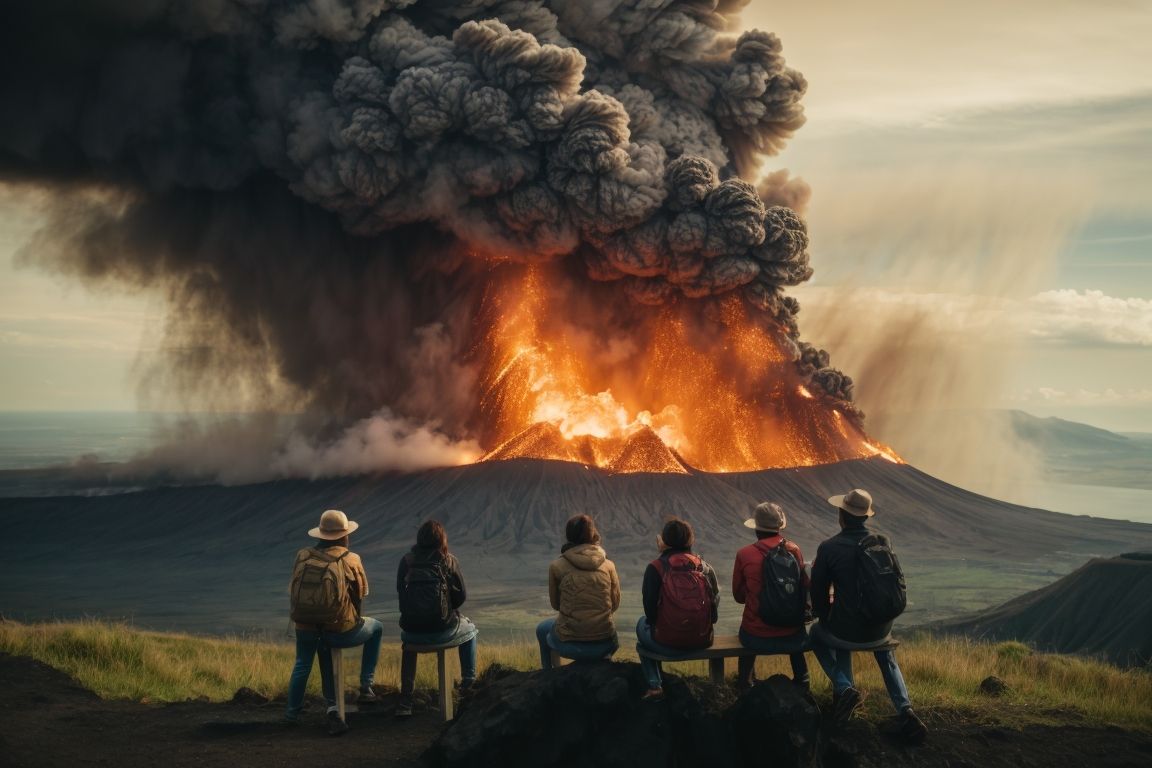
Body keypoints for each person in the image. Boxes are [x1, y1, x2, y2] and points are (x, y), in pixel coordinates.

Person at [809, 488, 928, 743]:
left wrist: (824, 616)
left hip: (846, 630)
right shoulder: (882, 542)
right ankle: (906, 710)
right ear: (865, 517)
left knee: (818, 634)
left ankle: (844, 687)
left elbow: (817, 592)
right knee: (886, 653)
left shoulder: (829, 548)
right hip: (880, 626)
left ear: (841, 515)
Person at [285, 509, 384, 736]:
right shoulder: (351, 558)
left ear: (320, 534)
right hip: (339, 629)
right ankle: (366, 686)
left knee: (302, 663)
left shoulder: (302, 555)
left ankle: (291, 713)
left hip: (305, 626)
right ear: (344, 535)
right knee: (377, 627)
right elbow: (361, 595)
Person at [395, 520, 478, 717]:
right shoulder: (448, 560)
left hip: (412, 632)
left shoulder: (406, 561)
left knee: (408, 638)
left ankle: (405, 702)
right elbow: (461, 597)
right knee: (471, 630)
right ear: (441, 539)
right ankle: (468, 686)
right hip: (442, 630)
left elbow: (401, 595)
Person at [635, 518, 720, 700]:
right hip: (704, 640)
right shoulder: (704, 566)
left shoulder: (655, 568)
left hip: (667, 643)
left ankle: (655, 684)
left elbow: (650, 612)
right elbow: (715, 607)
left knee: (641, 625)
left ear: (664, 541)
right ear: (690, 540)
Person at [731, 501, 810, 692]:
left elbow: (739, 596)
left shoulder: (744, 554)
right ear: (779, 527)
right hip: (792, 635)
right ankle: (803, 681)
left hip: (755, 637)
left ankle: (744, 683)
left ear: (757, 528)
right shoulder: (793, 550)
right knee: (795, 631)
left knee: (748, 627)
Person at [536, 514, 621, 669]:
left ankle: (550, 673)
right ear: (593, 534)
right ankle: (605, 665)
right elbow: (614, 604)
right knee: (609, 626)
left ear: (569, 536)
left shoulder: (557, 566)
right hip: (605, 644)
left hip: (570, 645)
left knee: (542, 629)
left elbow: (556, 605)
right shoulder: (609, 565)